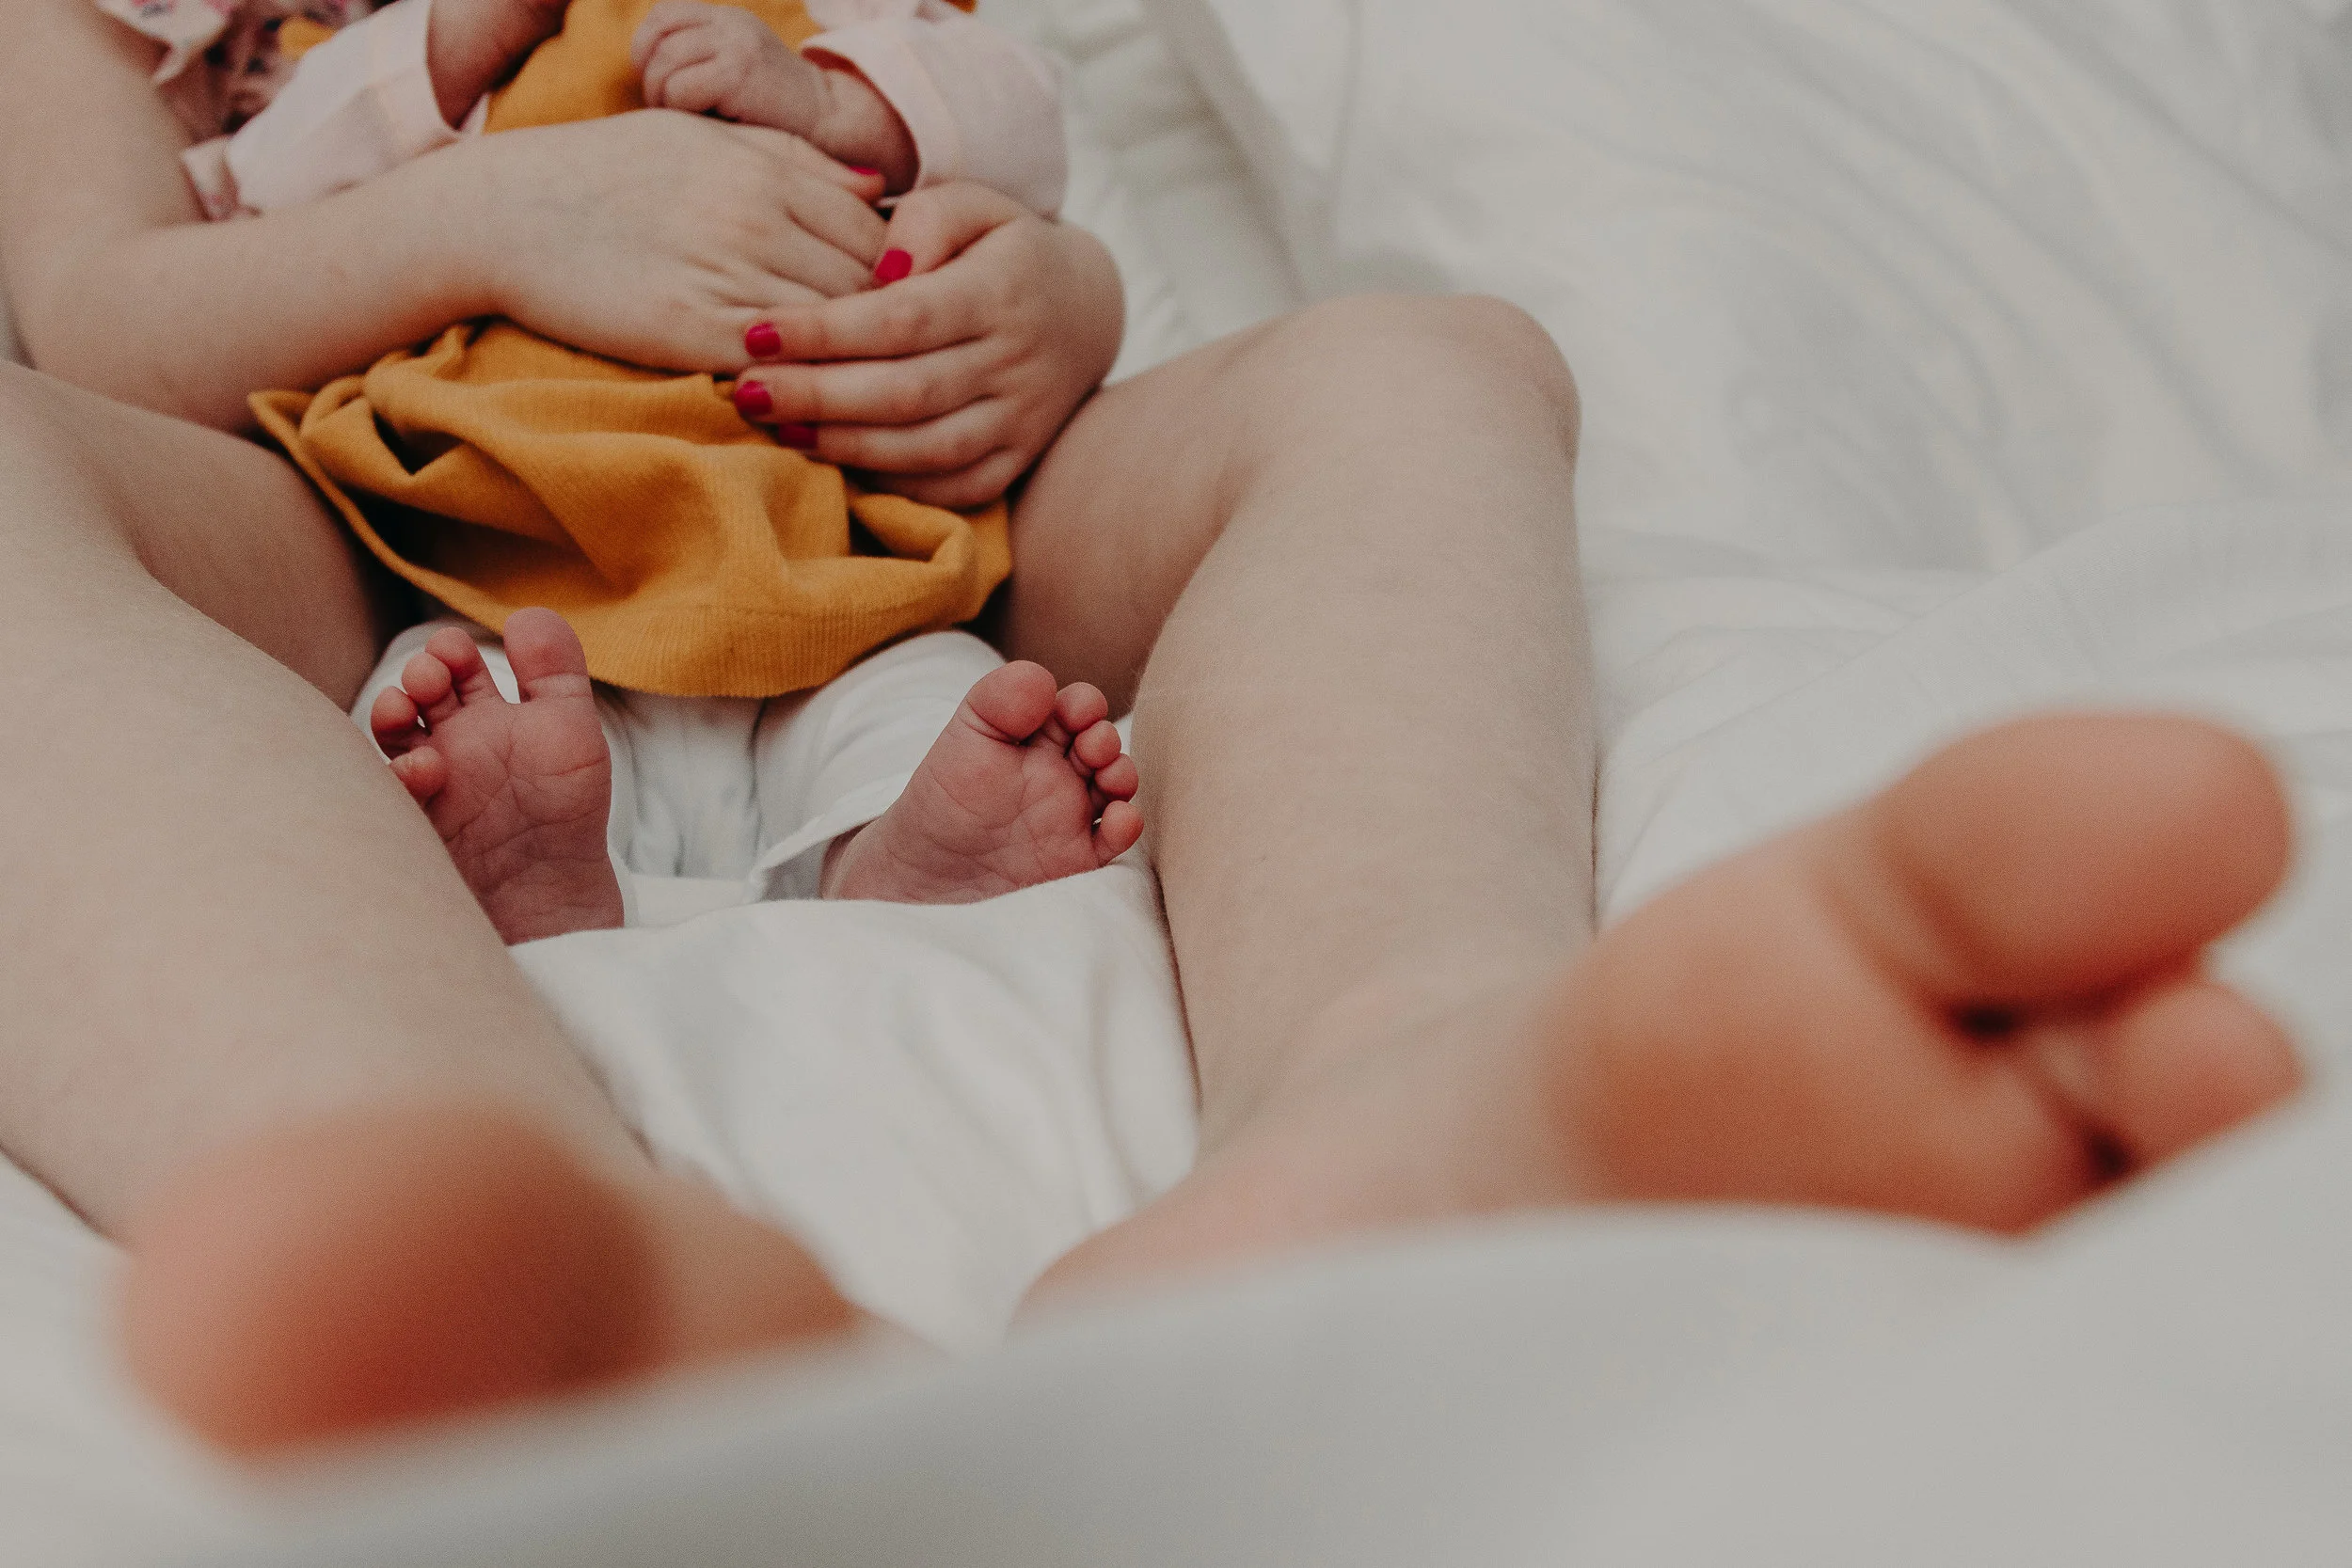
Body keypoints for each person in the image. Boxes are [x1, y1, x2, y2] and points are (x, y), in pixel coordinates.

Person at [0, 0, 2303, 1459]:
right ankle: (482, 1214)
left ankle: (1391, 1087)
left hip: (910, 526)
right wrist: (500, 213)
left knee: (1423, 361)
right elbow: (97, 320)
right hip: (364, 522)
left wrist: (1045, 301)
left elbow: (970, 170)